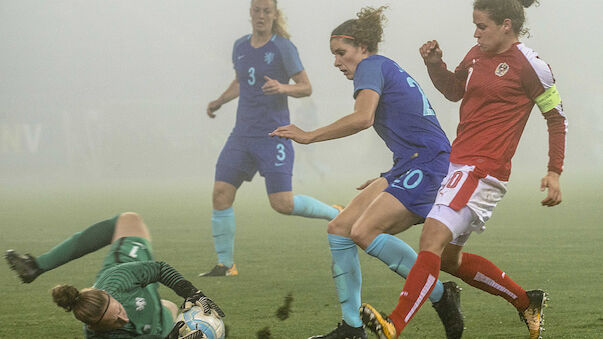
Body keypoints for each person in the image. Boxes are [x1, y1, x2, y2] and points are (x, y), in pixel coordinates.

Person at [359, 1, 566, 339]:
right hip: (460, 165)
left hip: (482, 171)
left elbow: (557, 118)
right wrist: (434, 64)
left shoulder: (532, 66)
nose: (475, 32)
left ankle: (393, 324)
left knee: (431, 240)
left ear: (506, 26)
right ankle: (526, 301)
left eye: (481, 26)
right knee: (450, 259)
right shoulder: (476, 53)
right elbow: (455, 91)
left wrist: (554, 170)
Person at [270, 7, 463, 339]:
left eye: (340, 53)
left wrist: (309, 135)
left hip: (428, 163)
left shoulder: (371, 66)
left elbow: (363, 118)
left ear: (361, 46)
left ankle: (441, 295)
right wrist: (387, 176)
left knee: (362, 232)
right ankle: (352, 327)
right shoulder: (381, 66)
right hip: (410, 163)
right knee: (340, 228)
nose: (336, 62)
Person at [202, 0, 342, 277]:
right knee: (220, 193)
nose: (261, 15)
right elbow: (242, 80)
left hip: (273, 134)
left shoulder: (283, 47)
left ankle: (335, 213)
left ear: (274, 14)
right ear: (250, 13)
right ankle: (226, 265)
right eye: (257, 10)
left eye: (267, 10)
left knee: (282, 204)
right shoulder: (240, 46)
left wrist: (282, 87)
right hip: (241, 134)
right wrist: (220, 100)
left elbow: (306, 87)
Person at [5, 212, 224, 338]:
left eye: (118, 309)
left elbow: (159, 268)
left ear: (109, 295)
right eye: (115, 321)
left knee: (129, 220)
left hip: (130, 265)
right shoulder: (98, 337)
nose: (123, 317)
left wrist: (193, 293)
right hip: (152, 325)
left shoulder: (118, 279)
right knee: (167, 309)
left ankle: (37, 265)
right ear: (94, 329)